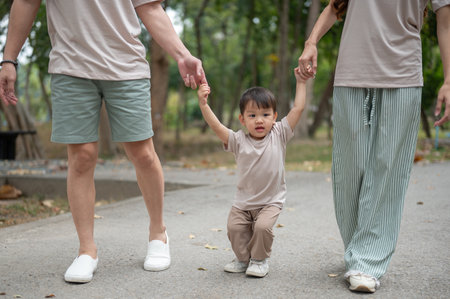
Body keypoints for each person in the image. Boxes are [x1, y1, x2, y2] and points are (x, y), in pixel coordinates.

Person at [0, 0, 206, 283]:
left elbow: (149, 7)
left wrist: (182, 54)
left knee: (143, 154)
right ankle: (87, 250)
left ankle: (158, 233)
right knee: (82, 157)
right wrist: (9, 58)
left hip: (126, 65)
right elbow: (26, 1)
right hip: (70, 67)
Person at [297, 0, 450, 293]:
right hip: (351, 72)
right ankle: (358, 249)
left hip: (403, 74)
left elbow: (445, 21)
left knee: (387, 170)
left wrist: (449, 79)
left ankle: (368, 260)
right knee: (347, 169)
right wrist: (311, 42)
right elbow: (335, 6)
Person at [196, 68, 308, 278]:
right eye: (252, 115)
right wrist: (204, 104)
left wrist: (301, 82)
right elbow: (216, 126)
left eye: (265, 115)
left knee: (262, 227)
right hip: (243, 201)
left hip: (271, 201)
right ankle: (242, 259)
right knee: (234, 228)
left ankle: (259, 259)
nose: (259, 120)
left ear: (274, 117)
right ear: (242, 119)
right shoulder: (238, 141)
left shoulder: (279, 133)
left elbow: (298, 108)